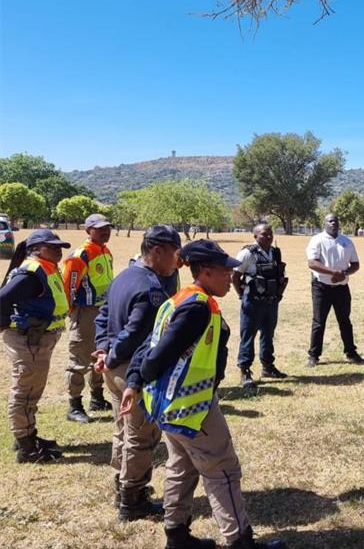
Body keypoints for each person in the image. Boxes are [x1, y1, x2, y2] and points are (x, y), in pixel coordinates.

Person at [121, 240, 286, 549]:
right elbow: (154, 357)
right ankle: (240, 541)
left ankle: (177, 536)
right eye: (225, 271)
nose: (230, 277)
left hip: (169, 408)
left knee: (181, 468)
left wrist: (134, 383)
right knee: (223, 470)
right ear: (206, 272)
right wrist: (140, 377)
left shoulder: (178, 299)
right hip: (193, 409)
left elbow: (147, 346)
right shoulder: (196, 308)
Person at [93, 225, 182, 521]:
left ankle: (122, 486)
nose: (177, 261)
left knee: (123, 430)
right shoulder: (151, 288)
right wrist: (111, 355)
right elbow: (135, 334)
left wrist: (103, 350)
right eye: (174, 253)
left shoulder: (124, 276)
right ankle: (132, 499)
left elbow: (103, 316)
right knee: (141, 437)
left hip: (114, 368)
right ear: (157, 251)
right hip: (132, 370)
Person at [0, 230, 70, 463]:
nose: (58, 250)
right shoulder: (31, 273)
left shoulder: (44, 268)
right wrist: (8, 322)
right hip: (30, 340)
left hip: (37, 340)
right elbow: (3, 298)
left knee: (31, 391)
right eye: (52, 246)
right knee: (25, 393)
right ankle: (27, 448)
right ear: (36, 249)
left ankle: (27, 435)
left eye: (60, 246)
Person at [62, 213, 115, 423]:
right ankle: (74, 405)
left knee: (100, 353)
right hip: (86, 311)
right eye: (100, 228)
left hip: (104, 312)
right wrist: (72, 312)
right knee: (80, 358)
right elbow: (68, 286)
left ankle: (97, 398)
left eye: (107, 227)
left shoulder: (105, 251)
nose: (105, 231)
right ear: (88, 230)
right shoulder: (80, 255)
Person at [232, 224, 288, 387]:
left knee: (268, 334)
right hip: (252, 301)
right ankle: (245, 370)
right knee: (248, 335)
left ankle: (268, 367)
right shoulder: (247, 253)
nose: (269, 237)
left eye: (270, 234)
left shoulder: (275, 252)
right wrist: (241, 295)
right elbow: (235, 276)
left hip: (271, 301)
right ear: (255, 236)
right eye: (264, 234)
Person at [305, 213, 364, 367]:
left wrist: (344, 274)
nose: (333, 223)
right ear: (324, 223)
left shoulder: (347, 242)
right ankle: (314, 355)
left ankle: (351, 352)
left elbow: (355, 265)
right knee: (319, 322)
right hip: (321, 287)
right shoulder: (317, 240)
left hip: (341, 288)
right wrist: (333, 273)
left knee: (345, 321)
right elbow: (312, 263)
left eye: (336, 221)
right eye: (330, 221)